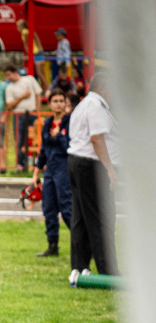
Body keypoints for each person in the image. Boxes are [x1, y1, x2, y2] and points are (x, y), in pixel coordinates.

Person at [67, 74, 119, 281]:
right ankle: (107, 268)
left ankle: (79, 266)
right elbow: (97, 139)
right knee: (101, 217)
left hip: (77, 161)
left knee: (80, 217)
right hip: (91, 164)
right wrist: (109, 167)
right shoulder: (97, 106)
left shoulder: (83, 105)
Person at [32, 89, 73, 257]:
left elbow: (71, 146)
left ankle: (83, 245)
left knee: (67, 208)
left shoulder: (70, 122)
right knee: (49, 208)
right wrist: (36, 172)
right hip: (50, 169)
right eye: (55, 101)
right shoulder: (47, 123)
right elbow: (43, 150)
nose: (58, 104)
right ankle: (52, 245)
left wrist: (59, 137)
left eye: (61, 101)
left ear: (65, 103)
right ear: (49, 104)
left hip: (64, 168)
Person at [5, 64, 42, 172]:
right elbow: (10, 105)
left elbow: (38, 94)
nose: (8, 78)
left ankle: (37, 164)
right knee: (19, 140)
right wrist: (22, 96)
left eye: (9, 75)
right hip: (19, 115)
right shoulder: (9, 87)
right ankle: (20, 164)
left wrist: (38, 110)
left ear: (15, 72)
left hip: (32, 113)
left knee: (36, 139)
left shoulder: (29, 79)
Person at [17, 18, 48, 88]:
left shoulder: (24, 32)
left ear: (22, 27)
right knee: (42, 73)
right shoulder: (29, 31)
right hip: (39, 52)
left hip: (35, 53)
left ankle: (47, 88)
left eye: (18, 26)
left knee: (39, 73)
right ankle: (45, 88)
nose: (17, 28)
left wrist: (29, 55)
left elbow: (27, 45)